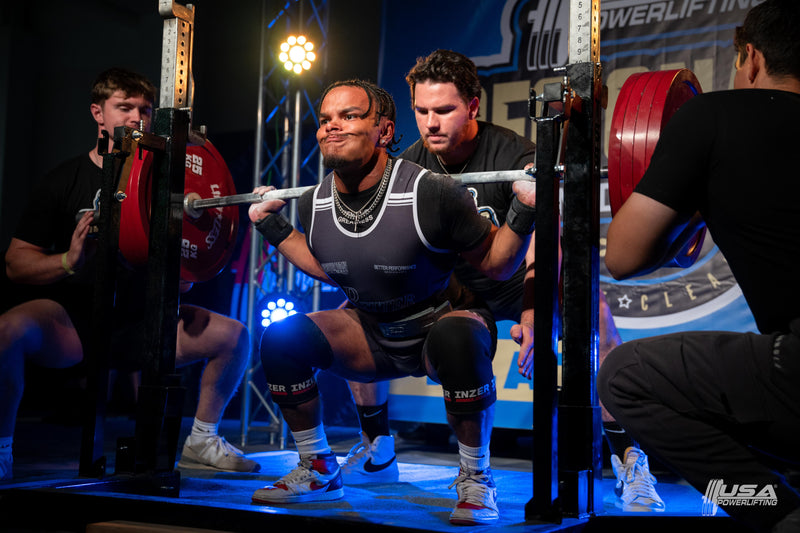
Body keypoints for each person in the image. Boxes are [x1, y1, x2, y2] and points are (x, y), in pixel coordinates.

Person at [339, 49, 664, 513]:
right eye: (422, 110)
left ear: (473, 105)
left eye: (444, 110)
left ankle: (629, 456)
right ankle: (378, 446)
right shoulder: (408, 167)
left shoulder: (516, 154)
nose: (431, 123)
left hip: (515, 277)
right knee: (363, 308)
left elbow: (542, 238)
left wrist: (535, 308)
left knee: (596, 316)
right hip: (455, 289)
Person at [247, 78, 536, 526]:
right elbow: (332, 267)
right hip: (372, 333)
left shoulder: (432, 191)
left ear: (383, 131)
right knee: (282, 338)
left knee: (459, 335)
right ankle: (319, 466)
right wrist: (275, 229)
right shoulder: (315, 201)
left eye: (349, 116)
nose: (332, 128)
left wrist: (524, 210)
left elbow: (497, 264)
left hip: (438, 326)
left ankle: (475, 477)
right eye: (325, 120)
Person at [0, 67, 259, 481]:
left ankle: (202, 439)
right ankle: (2, 449)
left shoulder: (169, 181)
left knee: (235, 336)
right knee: (8, 331)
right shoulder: (65, 180)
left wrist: (183, 269)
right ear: (98, 114)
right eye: (124, 107)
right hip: (76, 323)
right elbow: (16, 264)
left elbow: (190, 269)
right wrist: (69, 260)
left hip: (148, 322)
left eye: (145, 109)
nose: (137, 118)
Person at [599, 1, 800, 531]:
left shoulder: (711, 116)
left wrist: (692, 204)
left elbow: (621, 258)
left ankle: (773, 513)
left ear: (751, 58)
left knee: (625, 379)